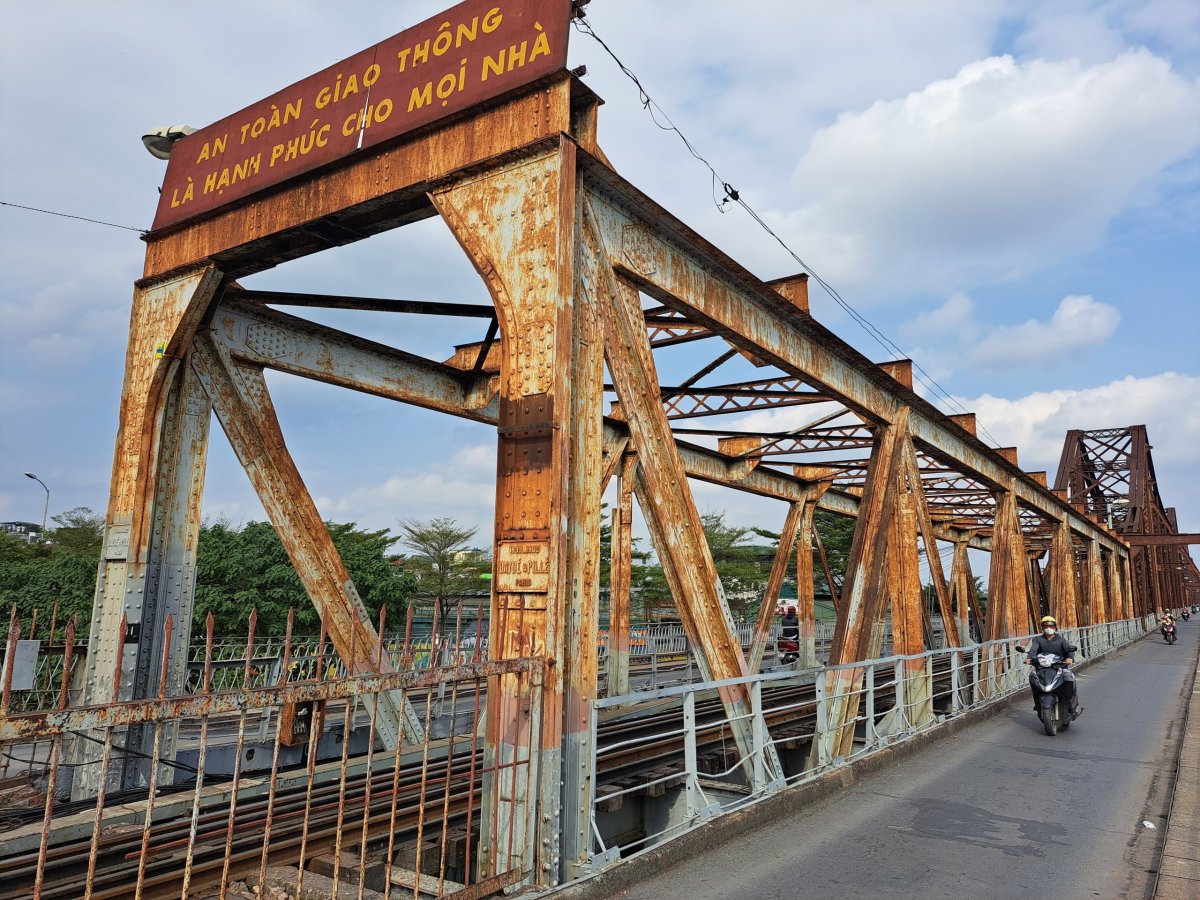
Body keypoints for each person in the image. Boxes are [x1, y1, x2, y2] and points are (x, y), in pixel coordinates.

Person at [1025, 615, 1079, 717]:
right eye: (1045, 626)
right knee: (1032, 678)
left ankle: (1072, 705)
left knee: (1070, 680)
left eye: (1051, 626)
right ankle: (1037, 703)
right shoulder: (1038, 640)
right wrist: (1029, 658)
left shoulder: (1061, 640)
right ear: (1042, 628)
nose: (1048, 628)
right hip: (1042, 667)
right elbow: (1033, 650)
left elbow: (1068, 649)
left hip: (1060, 666)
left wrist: (1070, 658)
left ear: (1055, 627)